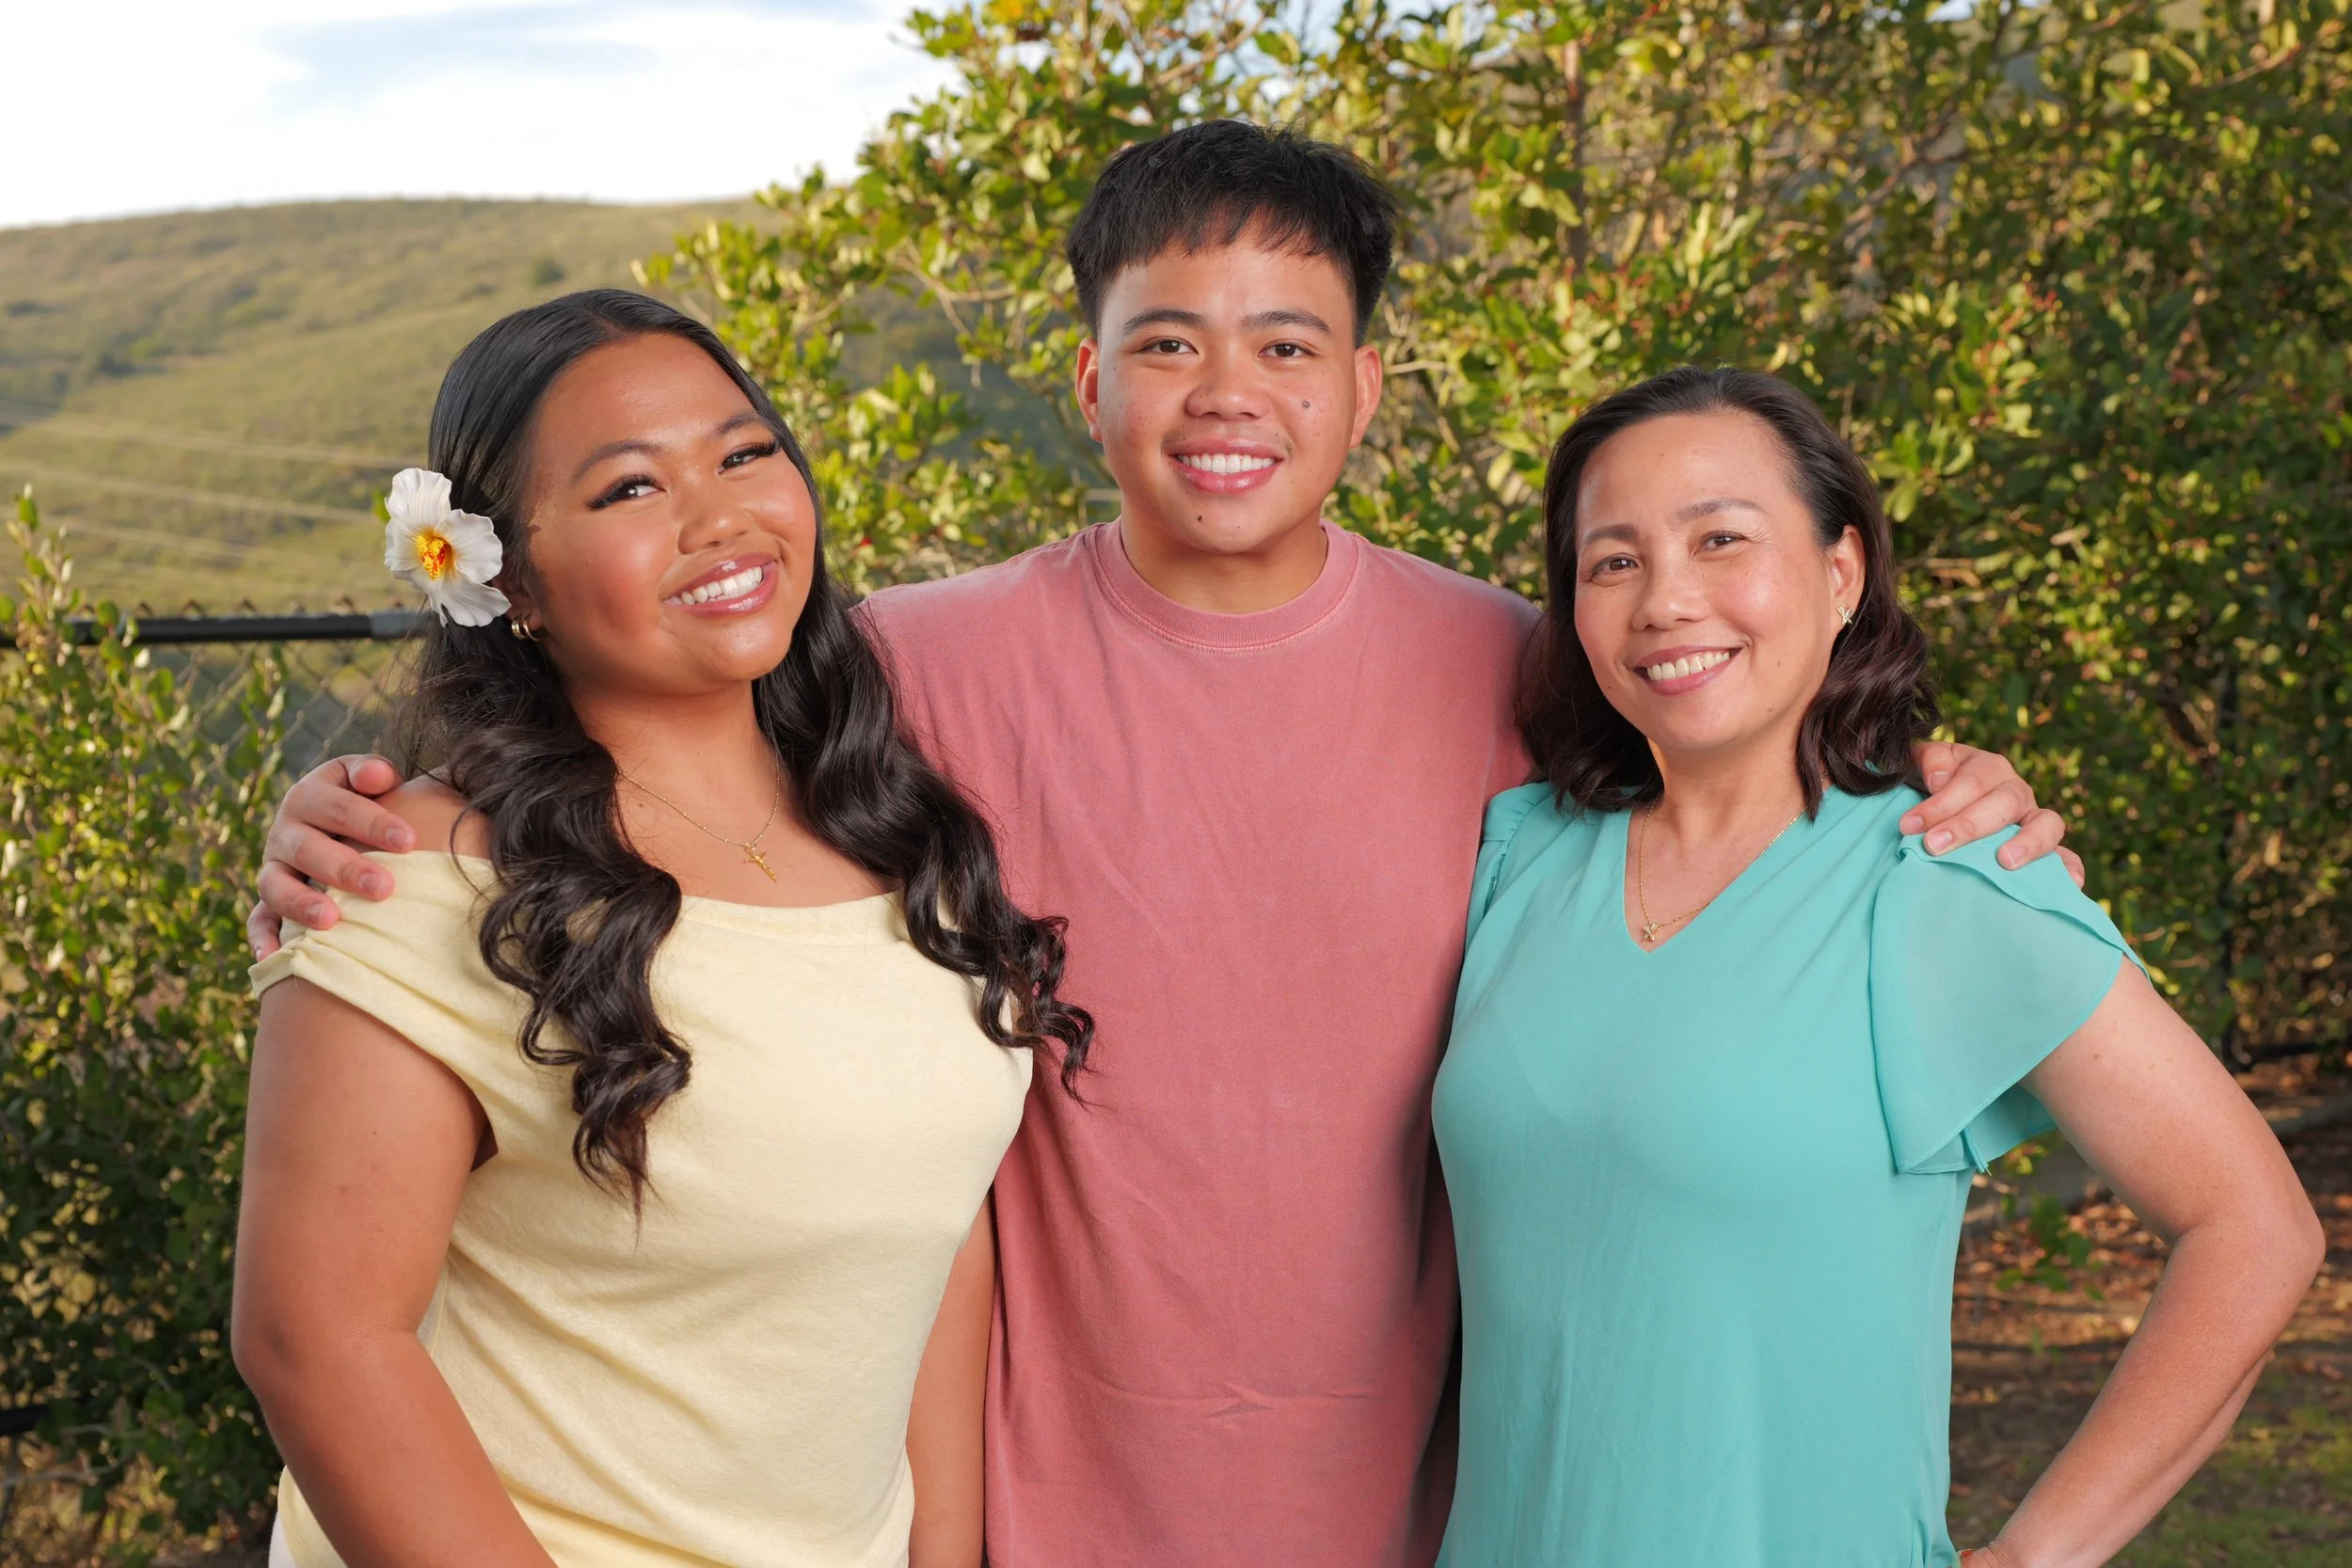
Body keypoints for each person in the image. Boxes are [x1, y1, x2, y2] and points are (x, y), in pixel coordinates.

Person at [246, 125, 2069, 1567]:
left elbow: (1733, 762)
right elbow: (636, 753)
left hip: (1413, 1503)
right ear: (1089, 378)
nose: (1226, 392)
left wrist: (1927, 780)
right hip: (1019, 1501)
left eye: (1287, 344)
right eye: (1167, 342)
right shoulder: (900, 669)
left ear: (1365, 387)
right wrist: (347, 823)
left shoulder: (1520, 670)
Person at [231, 291, 1088, 1568]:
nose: (718, 516)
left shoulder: (904, 837)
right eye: (630, 487)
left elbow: (931, 1227)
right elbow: (315, 1339)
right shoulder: (416, 875)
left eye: (744, 453)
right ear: (507, 577)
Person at [1433, 366, 2323, 1568]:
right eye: (1613, 560)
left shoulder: (1945, 874)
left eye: (1719, 538)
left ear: (1840, 572)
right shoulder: (1515, 854)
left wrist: (2037, 1553)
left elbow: (2254, 1228)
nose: (1665, 598)